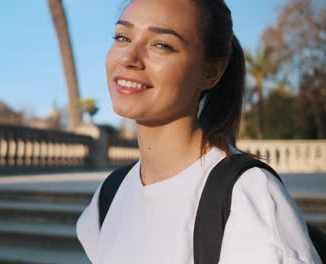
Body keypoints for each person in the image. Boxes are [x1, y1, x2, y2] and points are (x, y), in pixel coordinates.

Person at [75, 0, 322, 263]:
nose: (128, 58)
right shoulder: (110, 195)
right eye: (122, 37)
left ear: (211, 72)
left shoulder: (248, 199)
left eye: (161, 45)